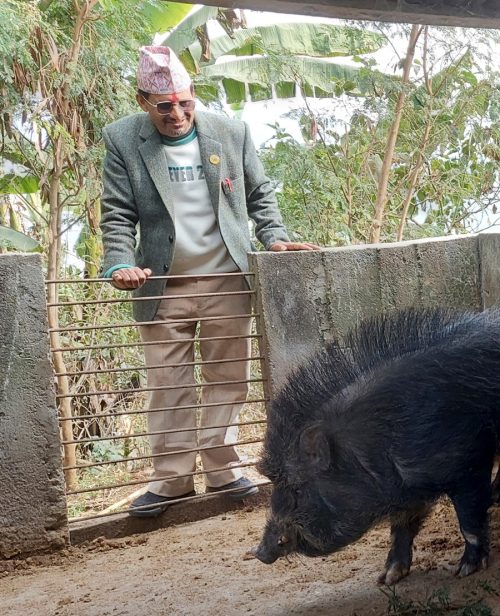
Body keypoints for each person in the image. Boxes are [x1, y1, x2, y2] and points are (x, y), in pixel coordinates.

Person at [100, 46, 319, 517]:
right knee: (168, 384)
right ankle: (172, 480)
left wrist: (275, 238)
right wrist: (120, 264)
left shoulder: (230, 131)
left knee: (228, 379)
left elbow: (260, 194)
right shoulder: (121, 140)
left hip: (225, 277)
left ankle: (223, 472)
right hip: (162, 284)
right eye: (164, 106)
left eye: (184, 103)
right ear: (143, 101)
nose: (177, 114)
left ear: (193, 96)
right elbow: (117, 215)